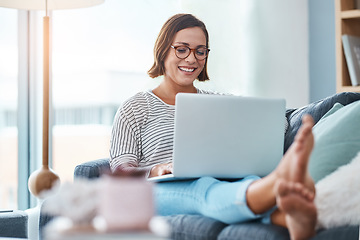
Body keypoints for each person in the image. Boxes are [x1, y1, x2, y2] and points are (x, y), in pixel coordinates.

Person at [110, 13, 317, 240]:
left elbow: (271, 120)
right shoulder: (136, 107)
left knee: (247, 180)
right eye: (182, 49)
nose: (192, 59)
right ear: (163, 50)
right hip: (157, 191)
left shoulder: (218, 102)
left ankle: (288, 217)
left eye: (200, 51)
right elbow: (120, 173)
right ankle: (279, 182)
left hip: (221, 181)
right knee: (202, 187)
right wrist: (157, 169)